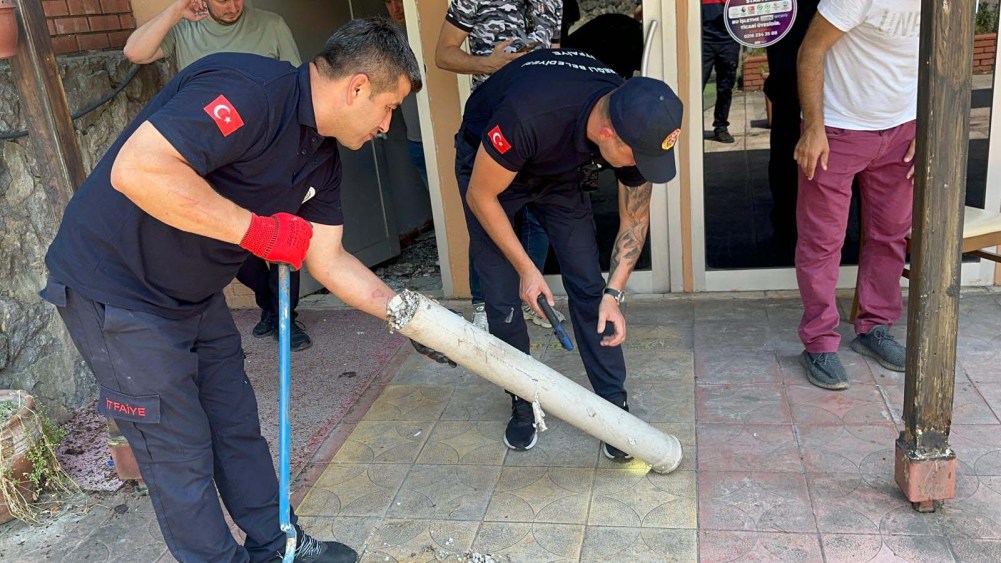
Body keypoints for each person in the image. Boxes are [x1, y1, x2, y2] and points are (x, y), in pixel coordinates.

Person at [43, 18, 451, 562]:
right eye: (389, 107)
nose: (386, 125)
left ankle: (279, 545)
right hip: (118, 292)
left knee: (235, 428)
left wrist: (409, 317)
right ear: (357, 87)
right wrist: (258, 232)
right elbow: (138, 170)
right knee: (180, 454)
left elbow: (328, 259)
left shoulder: (322, 157)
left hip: (194, 294)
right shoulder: (247, 91)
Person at [455, 48, 683, 458]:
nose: (642, 167)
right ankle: (522, 398)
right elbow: (481, 196)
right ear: (607, 134)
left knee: (589, 285)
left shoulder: (631, 116)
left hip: (558, 171)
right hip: (489, 165)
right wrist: (527, 269)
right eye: (639, 158)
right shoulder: (528, 113)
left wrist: (614, 294)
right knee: (501, 296)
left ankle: (613, 405)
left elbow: (635, 219)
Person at [124, 0, 314, 351]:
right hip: (212, 156)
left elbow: (299, 85)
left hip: (266, 150)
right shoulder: (185, 29)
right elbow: (135, 52)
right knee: (229, 238)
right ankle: (268, 303)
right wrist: (175, 11)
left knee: (281, 230)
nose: (232, 5)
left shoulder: (271, 24)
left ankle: (287, 317)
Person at [794, 1, 920, 390]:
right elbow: (811, 50)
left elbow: (946, 58)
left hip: (904, 130)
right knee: (822, 242)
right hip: (838, 128)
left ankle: (874, 328)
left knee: (890, 235)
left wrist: (929, 124)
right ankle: (819, 342)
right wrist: (813, 127)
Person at [435, 0, 564, 331]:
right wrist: (488, 64)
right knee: (486, 218)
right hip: (491, 126)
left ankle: (532, 297)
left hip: (537, 128)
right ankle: (485, 305)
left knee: (537, 217)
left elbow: (556, 58)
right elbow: (443, 54)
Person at [763, 0, 820, 246]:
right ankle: (786, 230)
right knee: (786, 159)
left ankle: (790, 231)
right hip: (789, 83)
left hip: (823, 86)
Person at [384, 0, 429, 191]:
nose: (396, 8)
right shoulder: (388, 39)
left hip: (442, 136)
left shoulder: (425, 31)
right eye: (388, 1)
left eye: (400, 0)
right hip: (416, 140)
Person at [701, 0, 740, 144]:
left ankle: (721, 127)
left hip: (729, 39)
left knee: (725, 88)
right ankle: (689, 125)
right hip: (702, 38)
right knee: (695, 86)